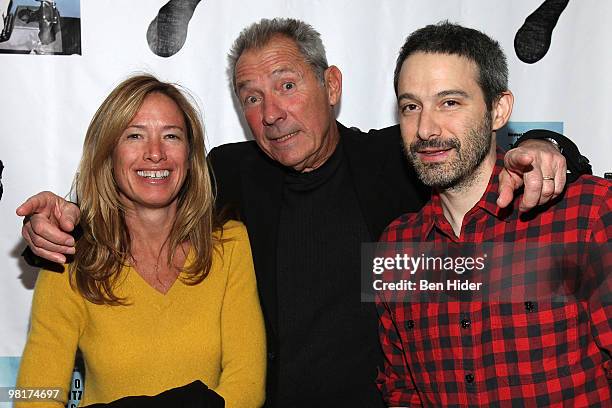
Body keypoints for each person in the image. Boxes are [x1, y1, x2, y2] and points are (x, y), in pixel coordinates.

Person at [17, 19, 579, 407]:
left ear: (331, 86)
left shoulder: (396, 161)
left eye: (287, 85)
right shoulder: (234, 176)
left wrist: (548, 147)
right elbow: (149, 189)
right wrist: (70, 219)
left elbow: (465, 147)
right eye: (251, 97)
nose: (272, 113)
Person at [376, 21, 611, 406]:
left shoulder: (585, 214)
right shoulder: (395, 247)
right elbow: (400, 387)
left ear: (498, 109)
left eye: (449, 102)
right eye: (411, 106)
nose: (425, 128)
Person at [15, 75, 266, 407]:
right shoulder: (71, 258)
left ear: (190, 157)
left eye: (171, 136)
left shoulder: (230, 245)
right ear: (108, 153)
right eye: (135, 135)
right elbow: (34, 397)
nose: (155, 154)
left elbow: (246, 387)